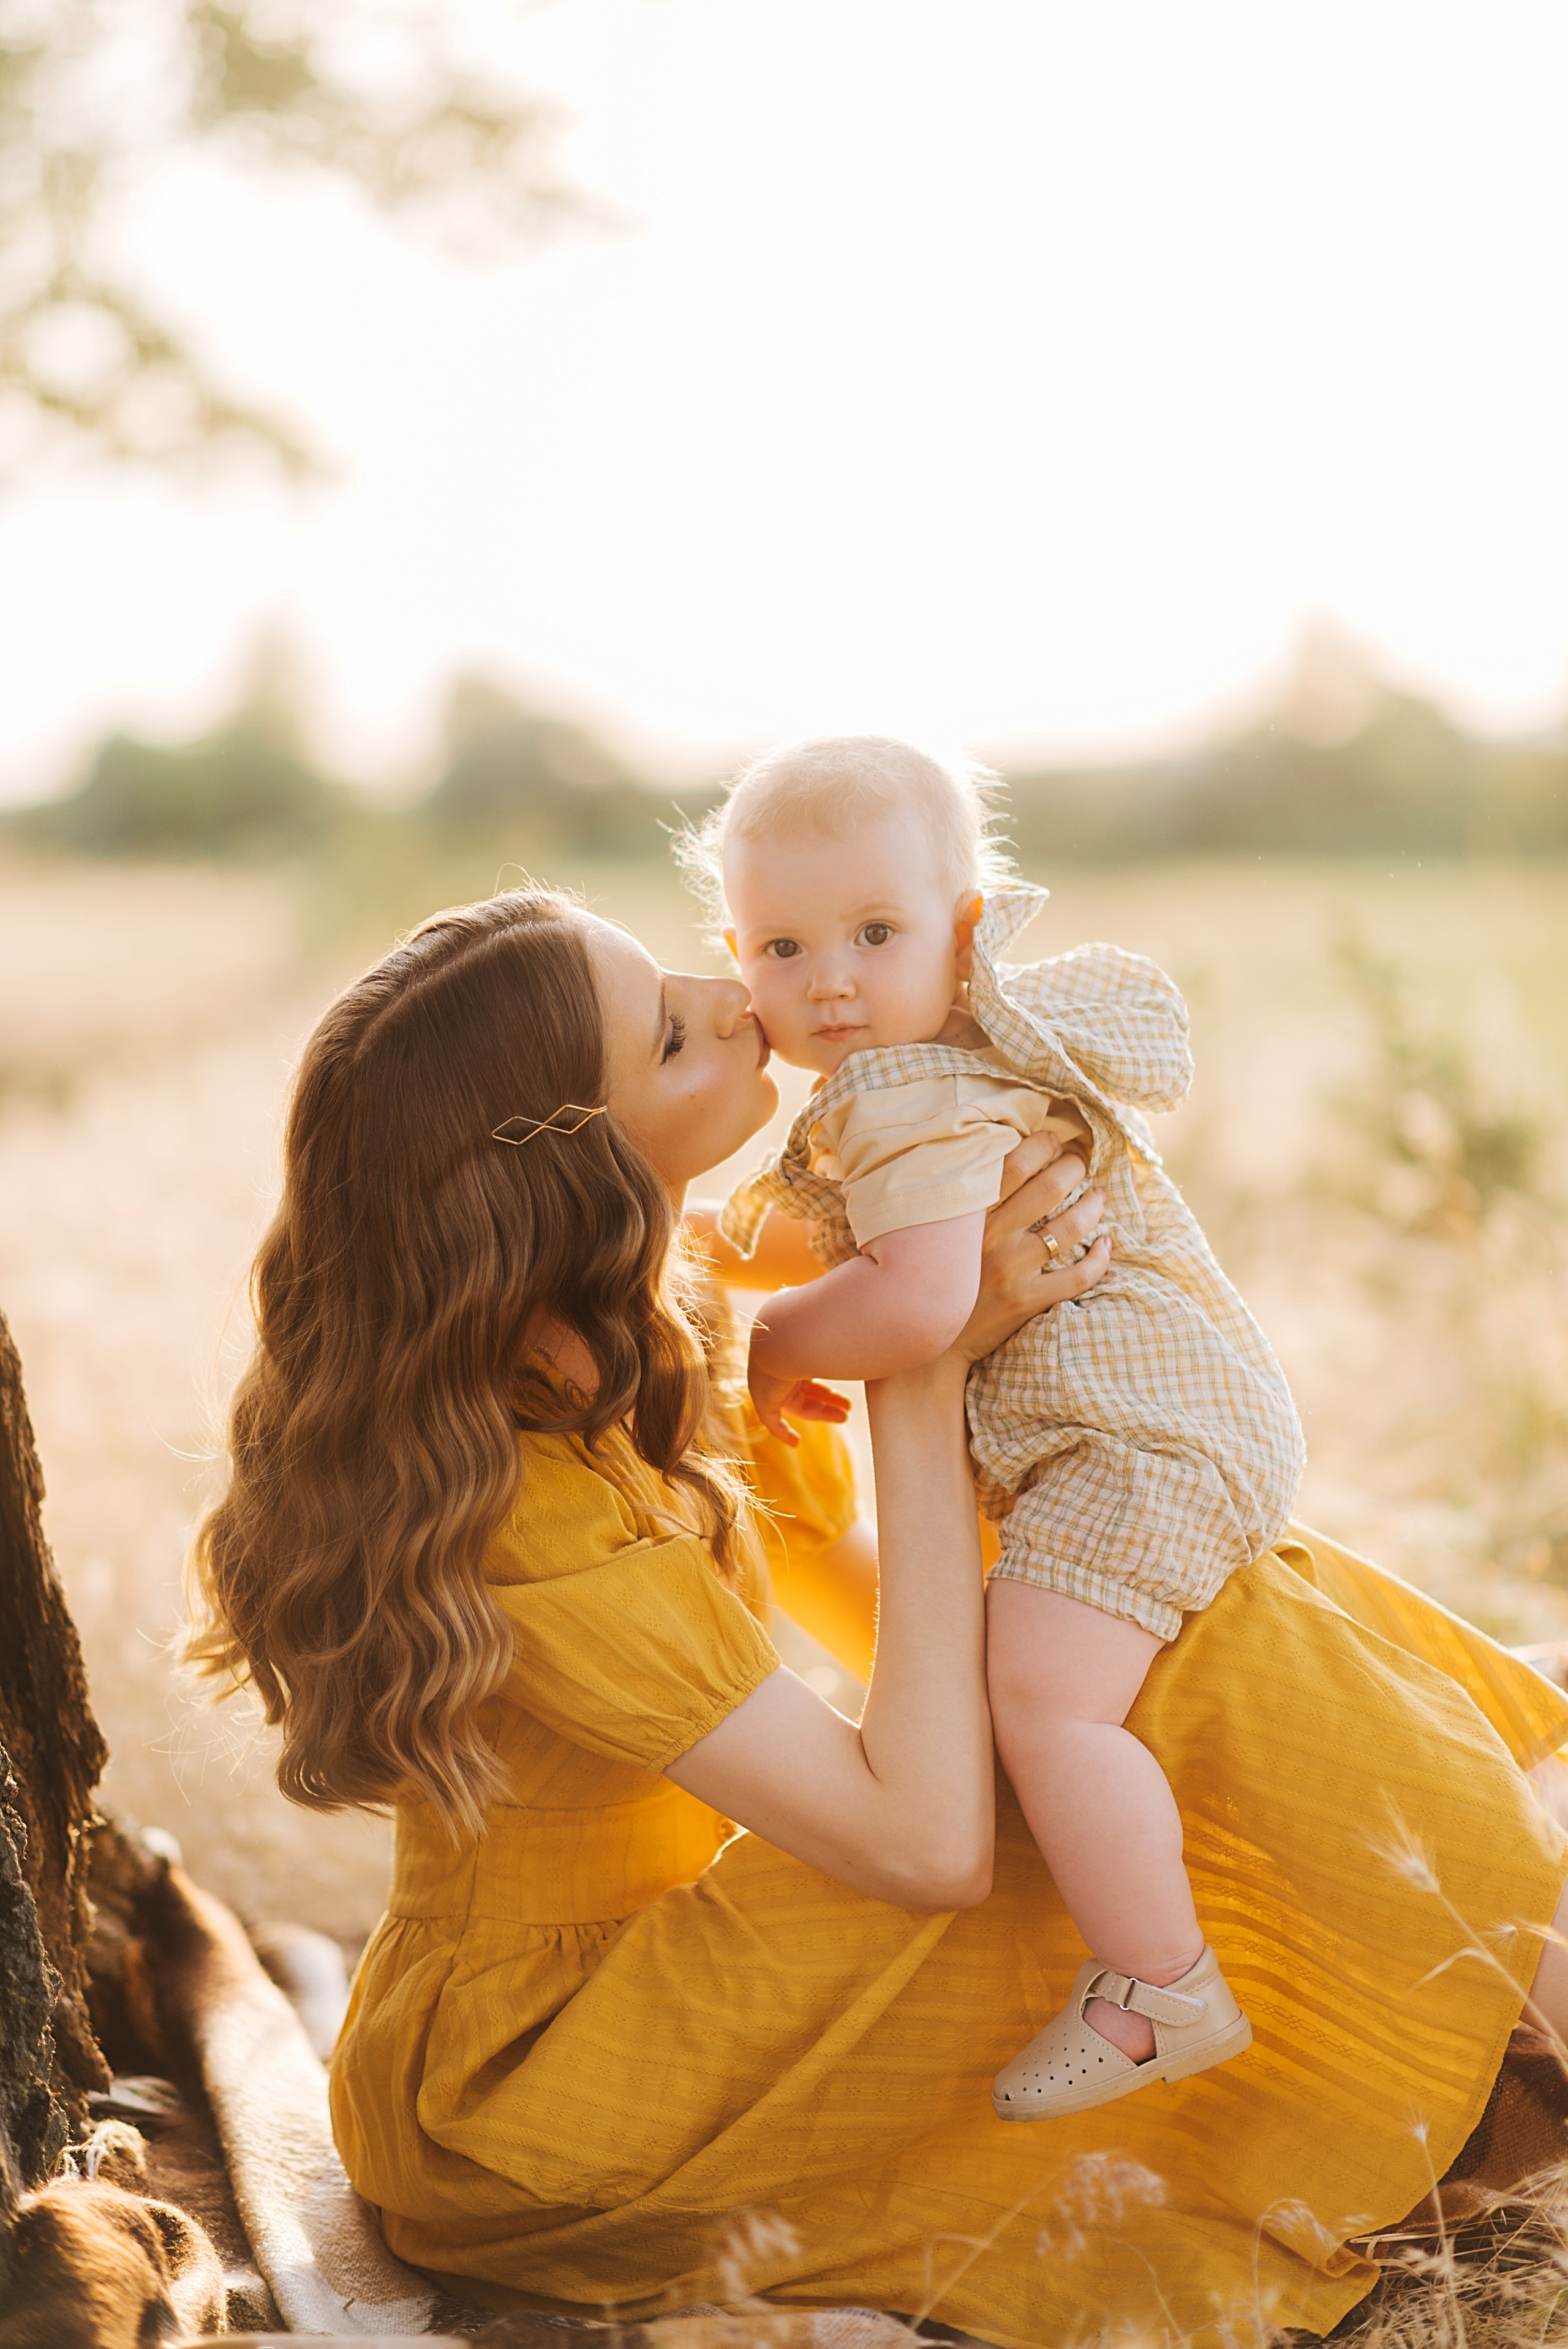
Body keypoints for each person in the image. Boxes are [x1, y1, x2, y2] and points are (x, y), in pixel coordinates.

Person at [187, 885, 1568, 2349]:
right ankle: (1515, 1959)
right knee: (1126, 1714)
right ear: (572, 1172)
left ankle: (1498, 1917)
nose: (726, 996)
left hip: (663, 1974)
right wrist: (922, 1367)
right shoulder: (523, 1499)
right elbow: (922, 1842)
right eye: (665, 1032)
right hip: (531, 2095)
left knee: (1149, 1616)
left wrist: (1002, 1349)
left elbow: (889, 1626)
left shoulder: (644, 1339)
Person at [704, 734, 1300, 2116]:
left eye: (872, 932)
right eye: (781, 948)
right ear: (732, 952)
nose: (830, 980)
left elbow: (915, 1302)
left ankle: (1160, 1982)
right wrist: (717, 1254)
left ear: (961, 931)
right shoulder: (938, 1067)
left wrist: (766, 1343)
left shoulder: (907, 1091)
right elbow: (846, 1229)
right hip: (1159, 1421)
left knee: (1038, 1696)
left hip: (1139, 1443)